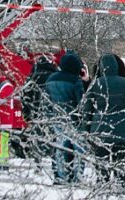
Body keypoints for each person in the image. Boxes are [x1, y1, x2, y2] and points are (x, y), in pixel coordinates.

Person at [81, 55, 125, 184]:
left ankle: (103, 185)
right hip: (122, 129)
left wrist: (86, 127)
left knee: (102, 165)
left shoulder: (96, 84)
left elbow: (87, 109)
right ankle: (122, 186)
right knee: (121, 163)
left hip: (100, 129)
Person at [45, 53, 84, 184]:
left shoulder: (51, 79)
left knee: (60, 146)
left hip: (56, 117)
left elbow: (46, 100)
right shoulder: (75, 81)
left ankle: (61, 175)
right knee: (79, 148)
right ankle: (77, 176)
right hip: (73, 118)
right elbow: (81, 102)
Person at [21, 54, 58, 162]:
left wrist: (27, 114)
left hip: (34, 111)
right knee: (51, 135)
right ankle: (51, 157)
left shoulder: (31, 77)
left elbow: (25, 97)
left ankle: (38, 159)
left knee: (37, 135)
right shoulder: (54, 76)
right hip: (51, 111)